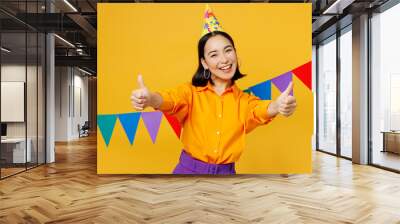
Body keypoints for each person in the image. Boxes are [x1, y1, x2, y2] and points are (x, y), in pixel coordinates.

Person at [130, 6, 296, 175]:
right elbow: (169, 100)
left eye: (228, 50)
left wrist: (278, 105)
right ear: (204, 62)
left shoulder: (244, 101)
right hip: (188, 172)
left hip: (226, 176)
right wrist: (150, 99)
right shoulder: (190, 93)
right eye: (214, 54)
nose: (224, 59)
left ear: (235, 53)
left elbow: (261, 110)